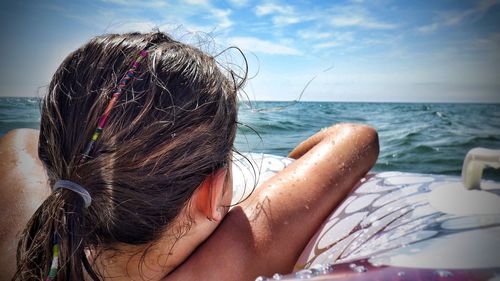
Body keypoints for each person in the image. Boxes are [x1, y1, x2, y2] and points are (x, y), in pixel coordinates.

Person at [0, 32, 379, 281]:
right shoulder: (226, 263)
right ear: (211, 194)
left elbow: (19, 141)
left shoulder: (20, 241)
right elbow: (356, 139)